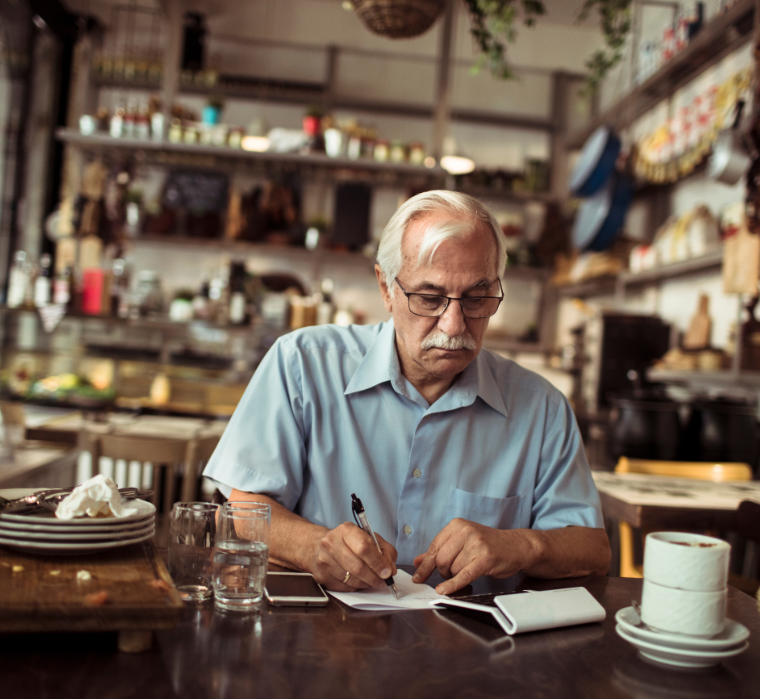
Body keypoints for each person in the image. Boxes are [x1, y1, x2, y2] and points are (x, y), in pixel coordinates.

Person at [204, 190, 610, 596]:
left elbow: (593, 551)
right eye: (429, 298)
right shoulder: (303, 364)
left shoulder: (541, 408)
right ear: (386, 288)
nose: (453, 325)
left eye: (476, 298)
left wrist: (522, 545)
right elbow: (245, 506)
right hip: (325, 633)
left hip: (477, 647)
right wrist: (314, 548)